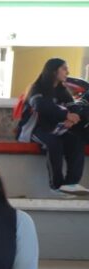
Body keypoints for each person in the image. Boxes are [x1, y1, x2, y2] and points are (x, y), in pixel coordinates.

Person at [15, 57, 88, 194]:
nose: (68, 72)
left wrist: (73, 117)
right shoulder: (37, 88)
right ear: (54, 71)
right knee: (54, 143)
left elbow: (73, 107)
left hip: (55, 129)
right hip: (35, 130)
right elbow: (40, 105)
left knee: (76, 142)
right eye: (64, 69)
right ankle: (56, 186)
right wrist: (66, 115)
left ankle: (70, 184)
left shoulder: (62, 91)